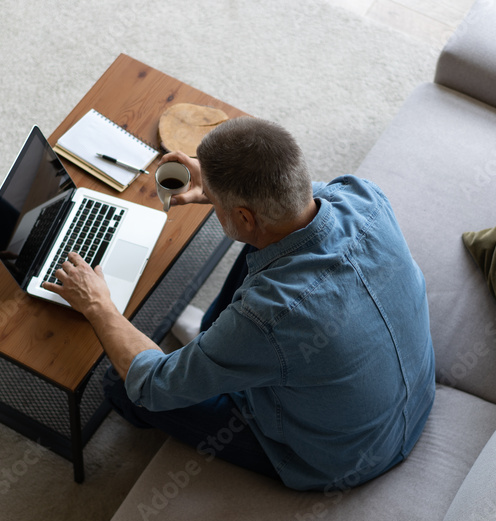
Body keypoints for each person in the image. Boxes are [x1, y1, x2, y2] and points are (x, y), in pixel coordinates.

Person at [43, 117, 434, 492]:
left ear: (244, 215)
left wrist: (98, 305)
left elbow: (154, 383)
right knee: (264, 250)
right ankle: (218, 347)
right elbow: (281, 204)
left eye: (214, 202)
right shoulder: (363, 196)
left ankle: (215, 354)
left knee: (123, 383)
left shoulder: (270, 315)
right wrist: (213, 177)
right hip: (415, 397)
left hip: (343, 460)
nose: (211, 204)